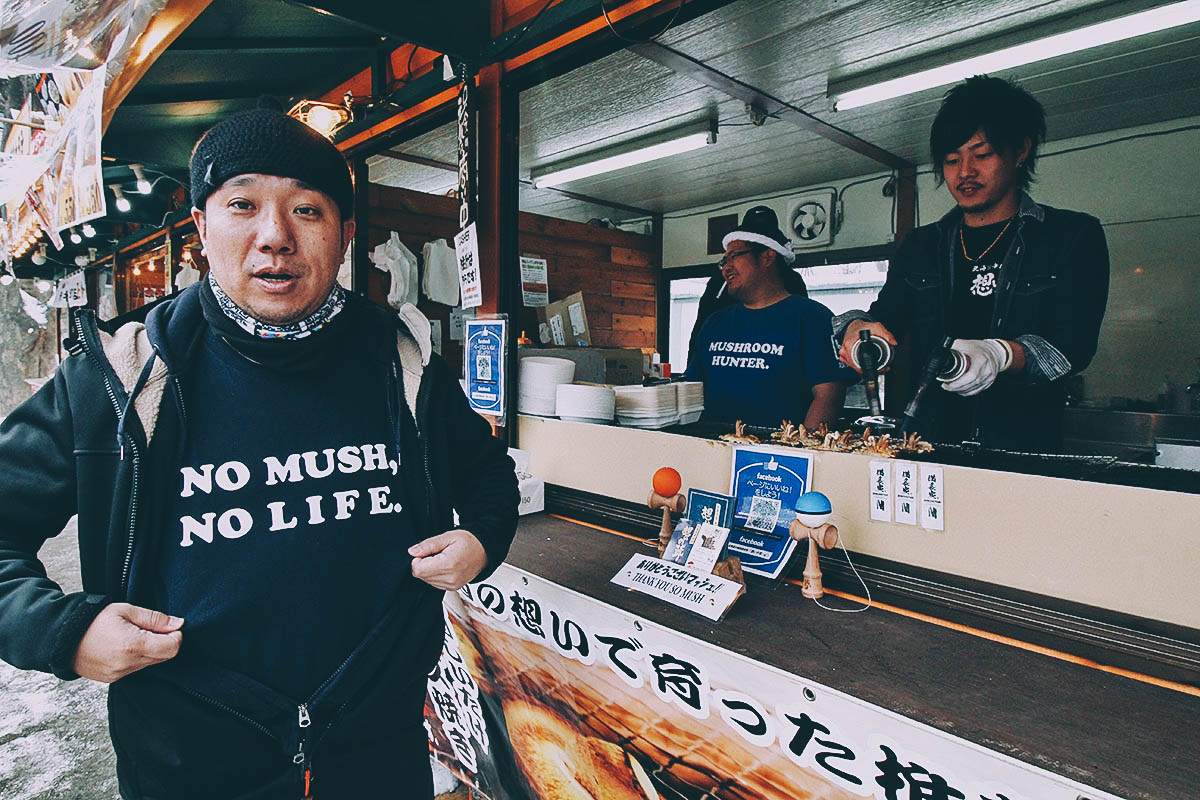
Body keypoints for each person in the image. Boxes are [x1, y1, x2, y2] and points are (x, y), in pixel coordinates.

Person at [0, 107, 519, 799]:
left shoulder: (402, 363)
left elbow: (488, 473)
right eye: (242, 204)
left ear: (346, 236)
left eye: (307, 210)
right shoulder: (117, 378)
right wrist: (65, 631)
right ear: (201, 231)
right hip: (188, 763)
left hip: (379, 751)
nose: (275, 238)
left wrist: (482, 539)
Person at [835, 75, 1109, 452]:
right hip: (927, 443)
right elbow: (887, 320)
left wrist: (999, 354)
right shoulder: (921, 245)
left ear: (1020, 151)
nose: (964, 172)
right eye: (951, 159)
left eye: (981, 155)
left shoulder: (1071, 235)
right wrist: (858, 329)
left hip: (1024, 447)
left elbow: (1072, 346)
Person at [684, 206, 850, 428]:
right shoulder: (715, 323)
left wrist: (801, 449)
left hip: (779, 453)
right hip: (715, 446)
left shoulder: (812, 318)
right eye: (724, 261)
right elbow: (691, 388)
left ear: (767, 256)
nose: (726, 268)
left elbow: (828, 395)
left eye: (734, 256)